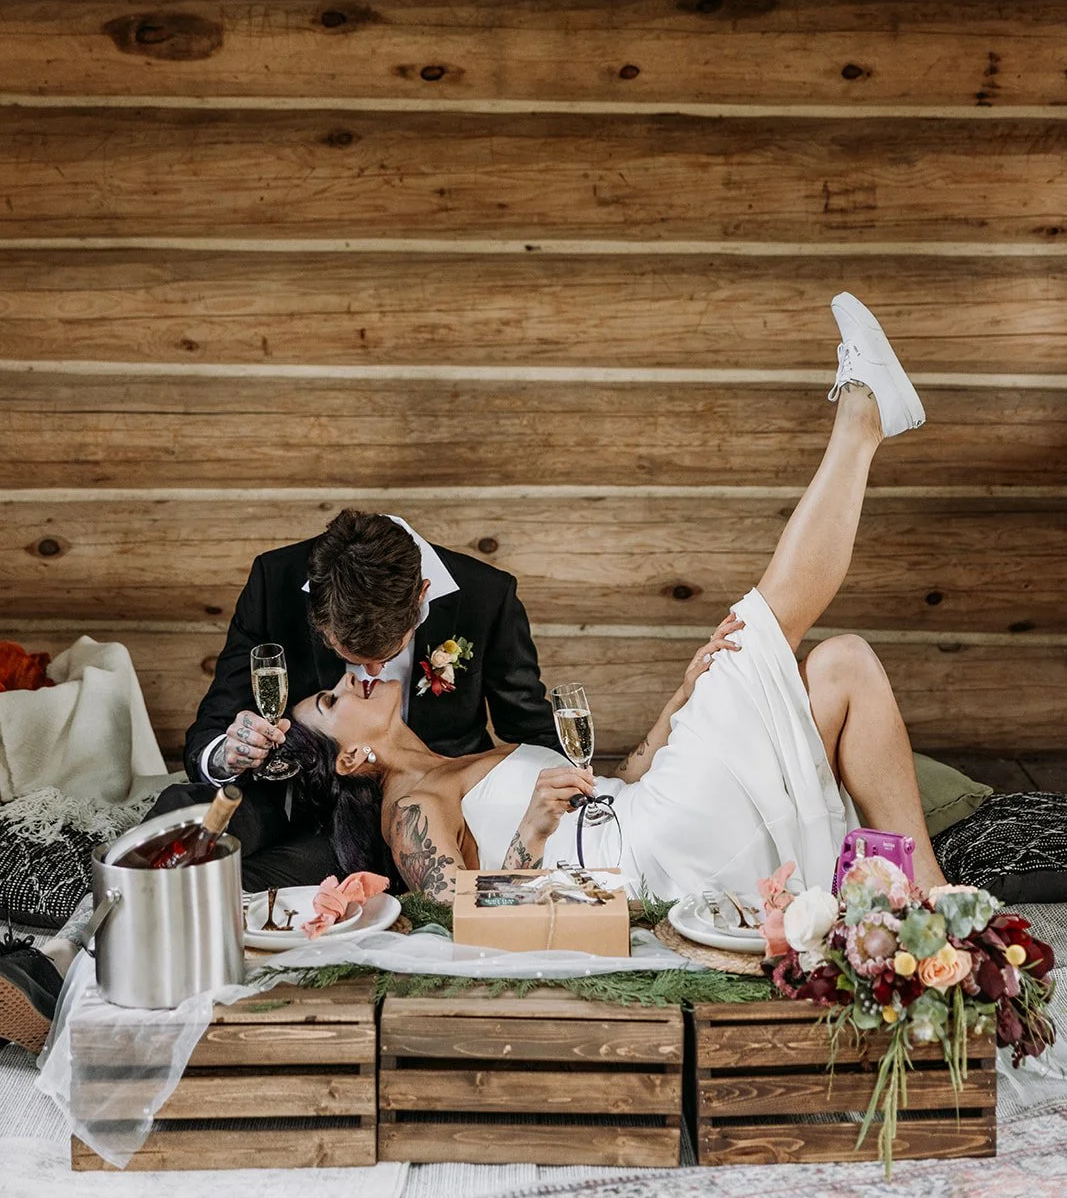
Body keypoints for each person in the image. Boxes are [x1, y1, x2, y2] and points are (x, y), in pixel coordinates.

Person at [287, 294, 951, 904]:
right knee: (755, 636)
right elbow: (461, 911)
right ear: (350, 758)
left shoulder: (465, 757)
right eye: (328, 702)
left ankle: (934, 897)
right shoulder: (407, 806)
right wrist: (530, 829)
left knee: (842, 662)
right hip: (640, 859)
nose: (346, 684)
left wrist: (683, 693)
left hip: (643, 811)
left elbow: (624, 779)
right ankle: (862, 418)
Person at [143, 509, 558, 890]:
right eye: (350, 658)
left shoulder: (487, 595)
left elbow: (529, 727)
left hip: (401, 822)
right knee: (186, 812)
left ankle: (162, 911)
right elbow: (212, 725)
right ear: (319, 619)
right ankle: (103, 910)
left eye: (390, 655)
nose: (370, 674)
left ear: (421, 598)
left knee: (246, 881)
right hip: (281, 790)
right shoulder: (275, 580)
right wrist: (226, 755)